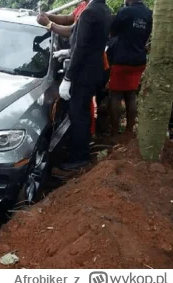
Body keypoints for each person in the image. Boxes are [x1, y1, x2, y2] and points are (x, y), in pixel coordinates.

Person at [58, 0, 112, 170]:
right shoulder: (104, 9)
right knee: (82, 113)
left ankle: (78, 157)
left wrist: (68, 78)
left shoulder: (89, 12)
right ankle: (79, 151)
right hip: (93, 69)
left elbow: (81, 47)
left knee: (78, 114)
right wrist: (68, 51)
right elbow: (91, 42)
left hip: (84, 73)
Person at [108, 0, 152, 137]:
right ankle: (129, 131)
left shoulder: (125, 11)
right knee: (131, 94)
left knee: (115, 95)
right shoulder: (148, 13)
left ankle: (115, 132)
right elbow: (146, 36)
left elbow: (112, 31)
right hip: (139, 59)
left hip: (121, 59)